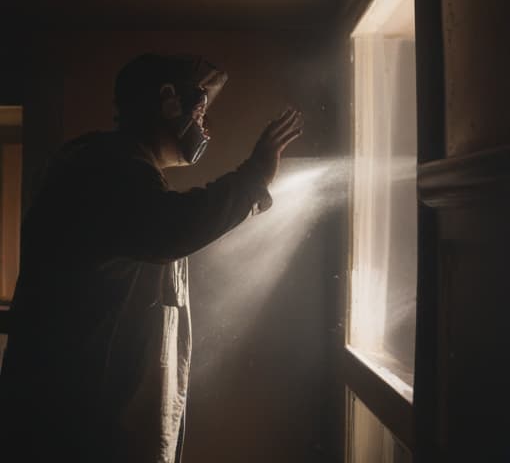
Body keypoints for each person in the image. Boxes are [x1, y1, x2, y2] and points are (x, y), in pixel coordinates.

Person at [0, 54, 302, 463]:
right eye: (199, 111)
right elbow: (171, 230)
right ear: (168, 101)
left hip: (80, 420)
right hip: (67, 429)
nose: (204, 127)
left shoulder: (117, 170)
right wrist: (254, 177)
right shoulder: (104, 169)